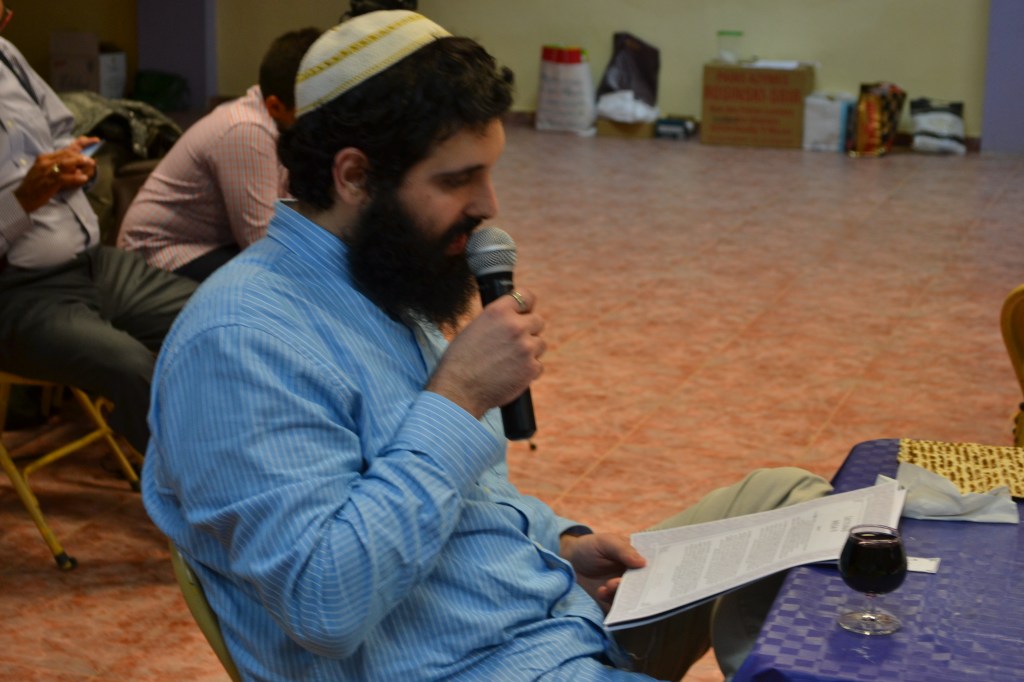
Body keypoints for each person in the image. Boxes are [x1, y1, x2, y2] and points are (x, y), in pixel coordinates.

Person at [142, 11, 832, 681]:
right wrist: (458, 397)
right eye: (456, 180)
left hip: (552, 621)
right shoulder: (240, 342)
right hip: (486, 662)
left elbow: (464, 499)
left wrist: (559, 543)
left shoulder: (381, 281)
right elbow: (323, 604)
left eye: (488, 173)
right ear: (354, 177)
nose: (488, 205)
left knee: (793, 502)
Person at [0, 0, 197, 453]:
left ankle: (253, 458)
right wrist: (24, 199)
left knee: (218, 316)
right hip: (19, 295)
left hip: (94, 265)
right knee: (132, 368)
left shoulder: (6, 55)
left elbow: (58, 131)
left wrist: (76, 159)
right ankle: (196, 488)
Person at [117, 28, 321, 282]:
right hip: (156, 252)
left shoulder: (277, 120)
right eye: (313, 109)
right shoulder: (247, 131)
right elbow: (263, 242)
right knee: (280, 281)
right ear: (275, 106)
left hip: (211, 242)